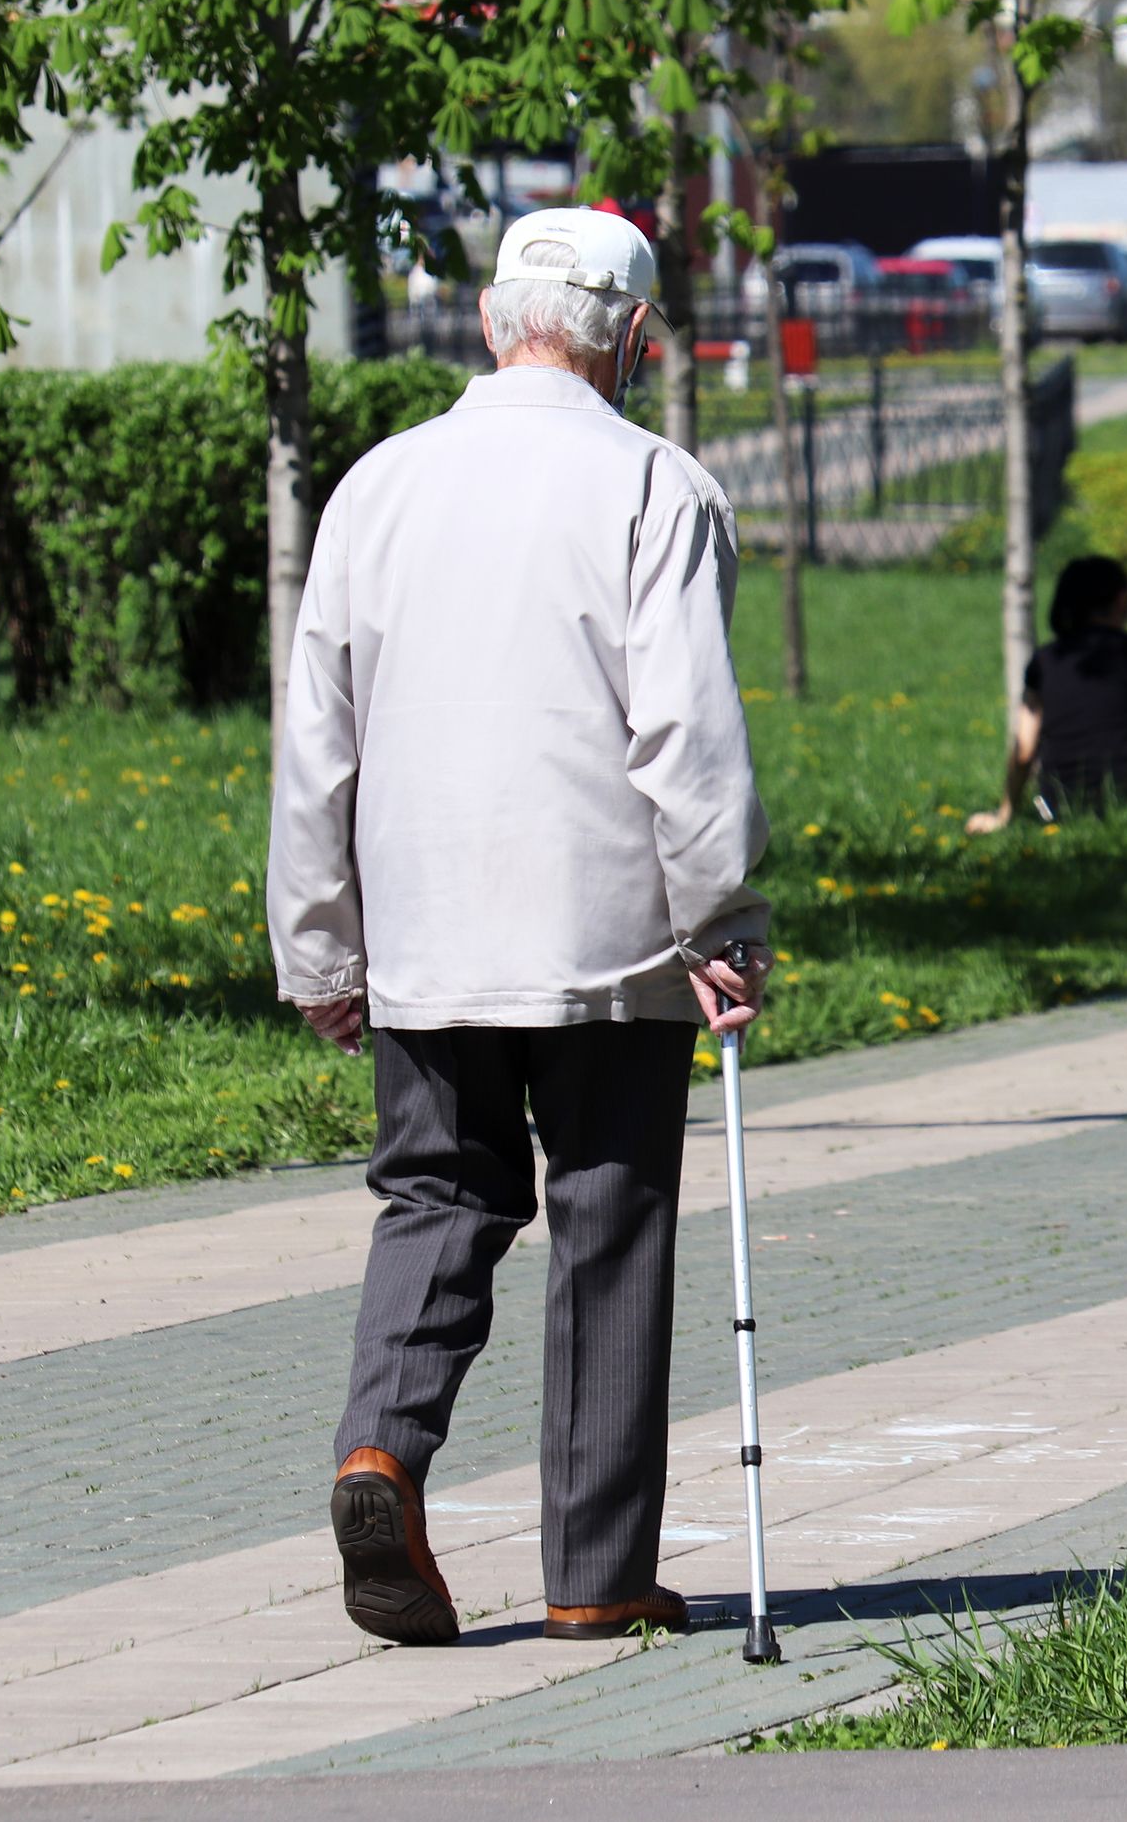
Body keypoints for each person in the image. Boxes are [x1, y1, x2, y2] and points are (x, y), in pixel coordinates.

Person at [267, 206, 771, 1650]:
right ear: (642, 344)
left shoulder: (379, 485)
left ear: (492, 325)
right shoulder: (657, 486)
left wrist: (321, 945)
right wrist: (721, 915)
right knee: (609, 1222)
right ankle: (597, 1571)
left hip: (423, 925)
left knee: (436, 1201)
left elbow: (322, 737)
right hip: (610, 938)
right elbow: (686, 729)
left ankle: (382, 1447)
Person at [963, 555, 1127, 833]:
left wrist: (1004, 814)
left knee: (1044, 810)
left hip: (1054, 807)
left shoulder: (1044, 660)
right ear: (1122, 599)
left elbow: (1024, 751)